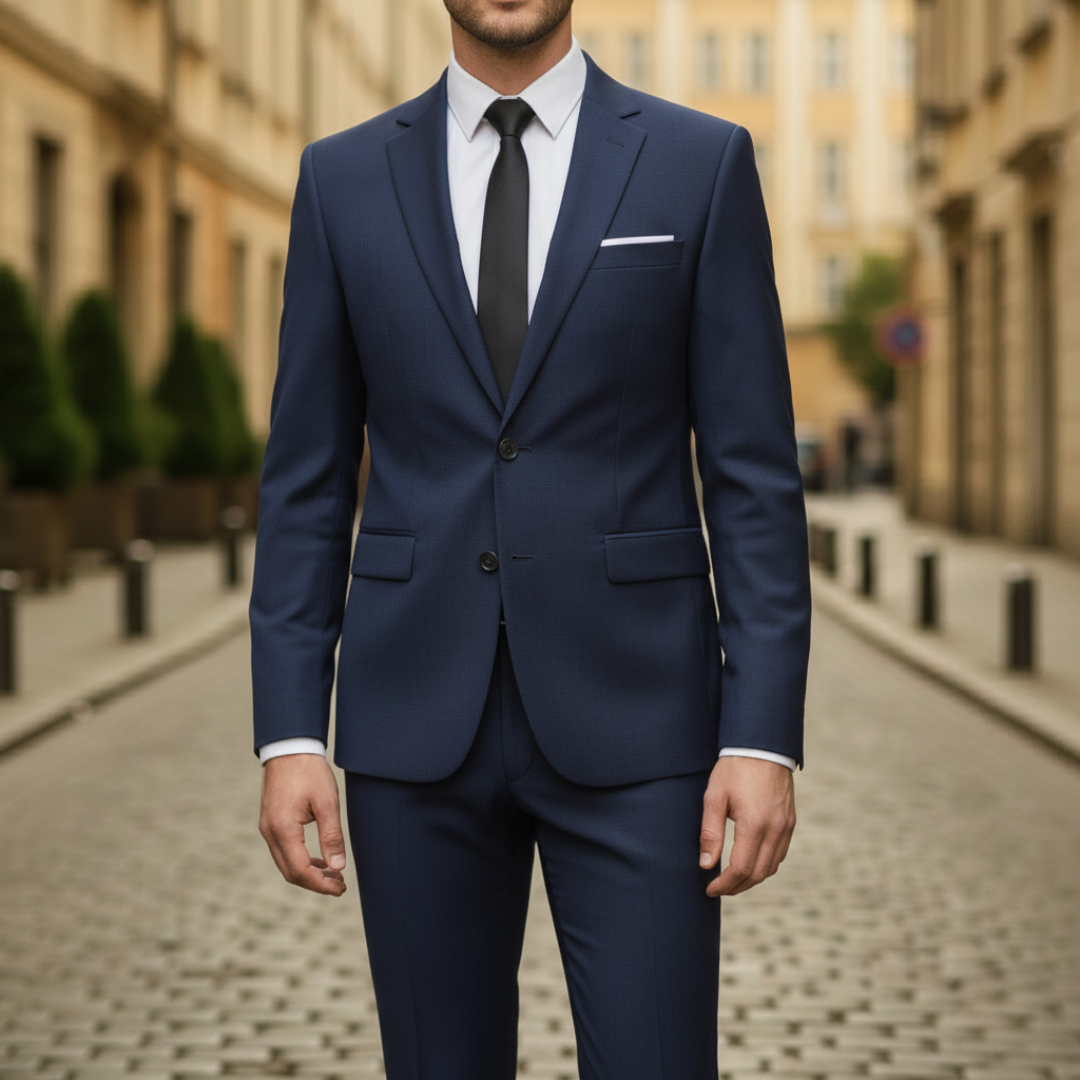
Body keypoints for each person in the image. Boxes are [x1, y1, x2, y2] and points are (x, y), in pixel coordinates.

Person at [251, 2, 811, 1077]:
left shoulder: (699, 163)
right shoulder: (340, 180)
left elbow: (753, 477)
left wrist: (763, 736)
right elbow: (308, 482)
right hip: (411, 727)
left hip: (645, 729)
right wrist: (287, 734)